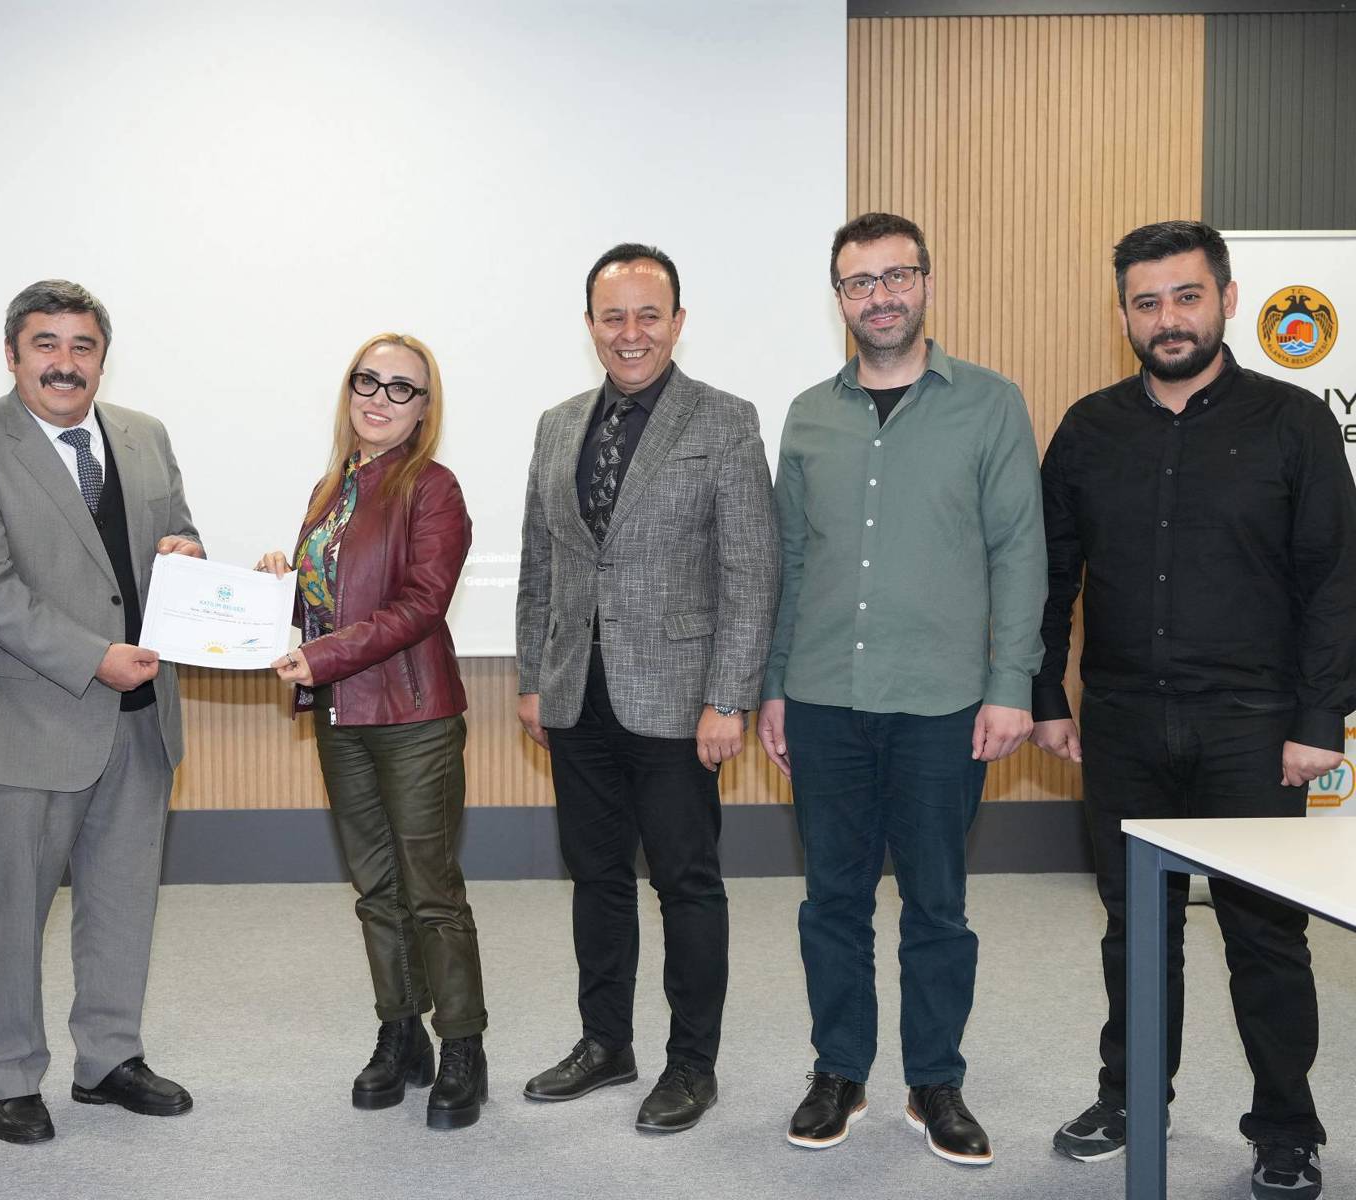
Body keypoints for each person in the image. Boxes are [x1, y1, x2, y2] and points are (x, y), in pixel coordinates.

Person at [1034, 220, 1354, 1200]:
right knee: (1135, 932)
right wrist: (1046, 695)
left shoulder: (1295, 425)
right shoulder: (1089, 429)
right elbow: (1050, 576)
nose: (1167, 318)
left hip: (1254, 727)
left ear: (1226, 298)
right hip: (1124, 720)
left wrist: (1318, 722)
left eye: (1186, 296)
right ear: (1123, 315)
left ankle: (1287, 1128)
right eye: (1147, 302)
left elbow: (1335, 583)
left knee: (1266, 938)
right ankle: (1131, 1097)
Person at [756, 212, 1045, 1167]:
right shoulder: (808, 414)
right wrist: (774, 685)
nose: (879, 297)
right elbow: (791, 562)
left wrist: (1011, 683)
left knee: (937, 906)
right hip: (824, 696)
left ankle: (935, 1081)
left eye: (896, 276)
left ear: (925, 281)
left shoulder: (991, 404)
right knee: (831, 901)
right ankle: (839, 1071)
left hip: (944, 702)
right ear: (838, 297)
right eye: (859, 282)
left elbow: (1019, 553)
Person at [0, 279, 203, 1145]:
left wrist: (186, 552)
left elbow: (178, 532)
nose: (65, 362)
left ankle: (109, 1059)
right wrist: (93, 658)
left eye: (83, 346)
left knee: (123, 904)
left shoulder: (145, 436)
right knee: (13, 915)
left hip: (139, 719)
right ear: (13, 355)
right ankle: (8, 1075)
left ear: (102, 359)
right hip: (22, 725)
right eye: (46, 344)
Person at [515, 242, 780, 1134]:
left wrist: (729, 698)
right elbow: (540, 563)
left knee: (686, 884)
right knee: (596, 877)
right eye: (612, 316)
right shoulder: (557, 424)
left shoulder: (725, 420)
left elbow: (751, 569)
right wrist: (532, 677)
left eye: (647, 315)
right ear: (590, 325)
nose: (630, 333)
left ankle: (692, 1065)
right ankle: (606, 1044)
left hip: (678, 699)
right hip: (575, 696)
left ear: (677, 321)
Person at [257, 333, 487, 1129]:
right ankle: (400, 1035)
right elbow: (331, 603)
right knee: (376, 891)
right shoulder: (332, 488)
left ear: (424, 409)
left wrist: (322, 655)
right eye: (368, 381)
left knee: (432, 894)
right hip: (341, 714)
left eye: (401, 388)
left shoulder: (433, 488)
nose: (380, 399)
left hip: (414, 717)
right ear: (349, 389)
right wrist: (277, 592)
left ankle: (462, 1045)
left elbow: (421, 604)